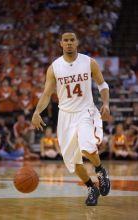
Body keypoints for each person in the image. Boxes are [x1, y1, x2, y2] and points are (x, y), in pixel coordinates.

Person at [32, 32, 110, 206]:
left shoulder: (89, 62)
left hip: (85, 111)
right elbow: (47, 94)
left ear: (77, 42)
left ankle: (100, 170)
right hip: (65, 115)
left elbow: (102, 84)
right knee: (72, 162)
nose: (68, 43)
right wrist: (37, 112)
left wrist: (106, 103)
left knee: (87, 147)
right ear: (61, 44)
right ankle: (91, 187)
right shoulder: (54, 67)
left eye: (72, 40)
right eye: (65, 40)